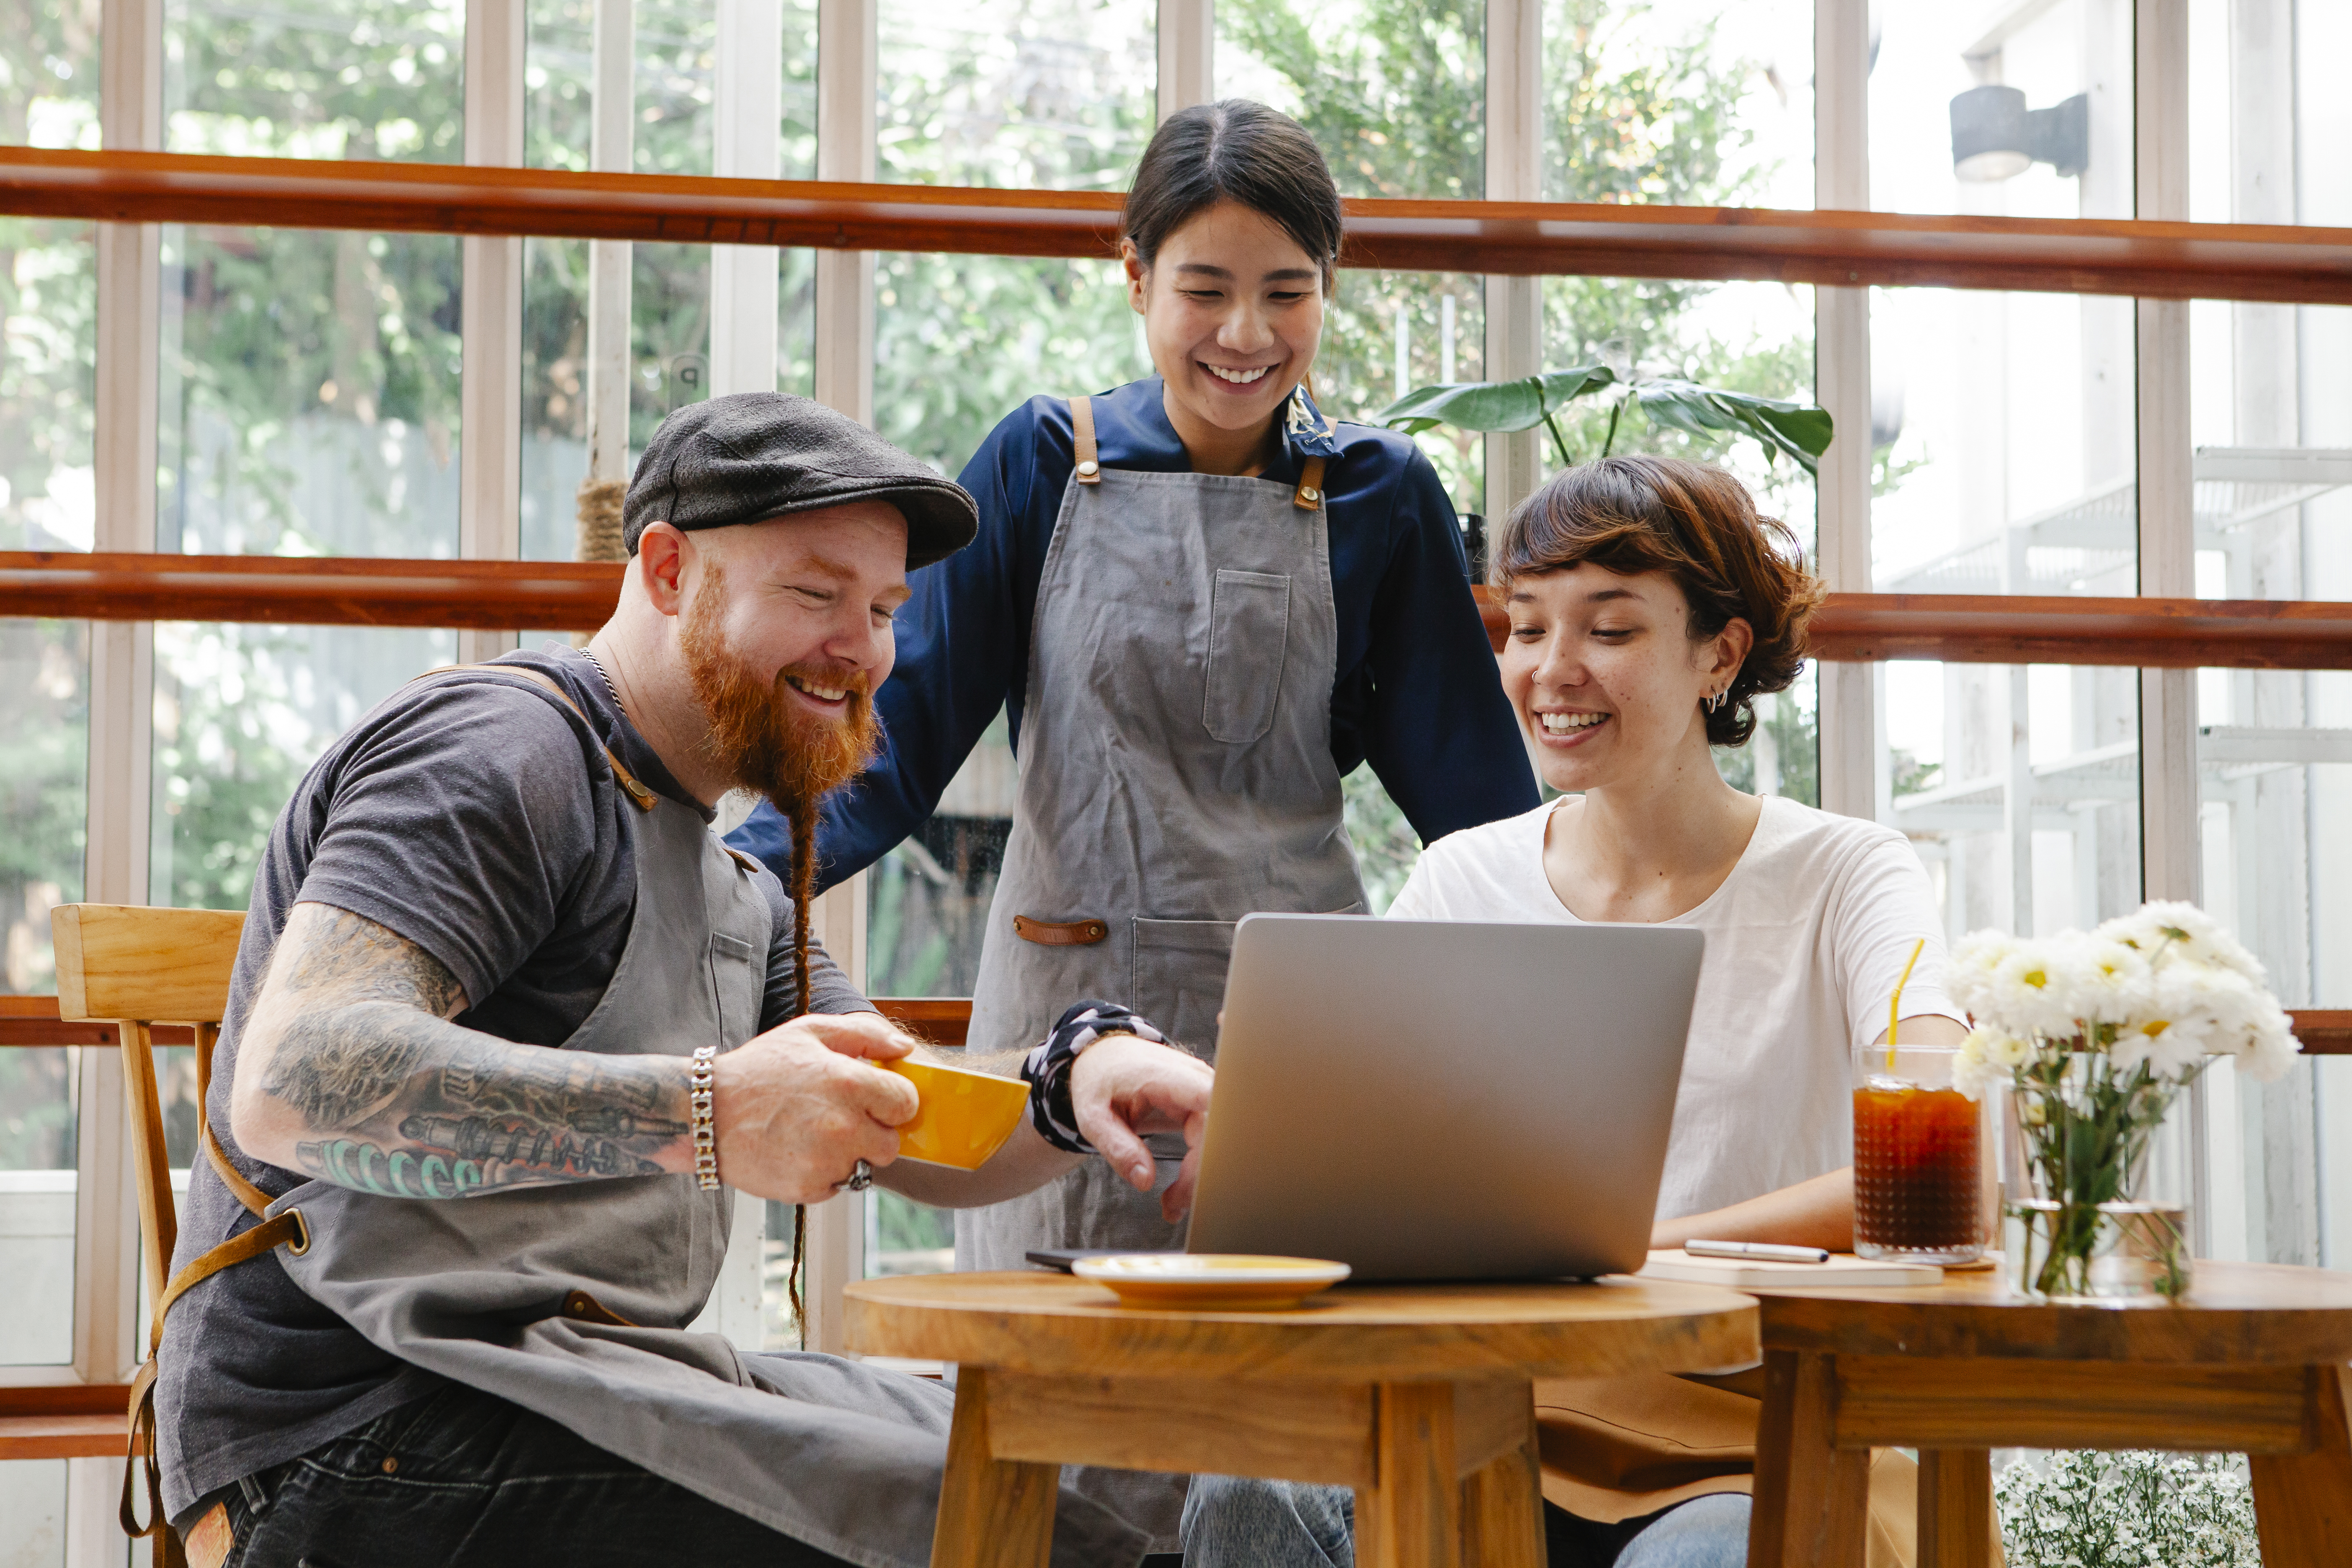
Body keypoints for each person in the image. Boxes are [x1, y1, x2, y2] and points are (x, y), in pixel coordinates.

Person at [152, 393, 1216, 1568]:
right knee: (1010, 1533)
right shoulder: (501, 754)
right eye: (815, 594)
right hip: (348, 1439)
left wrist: (1075, 1078)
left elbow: (905, 1121)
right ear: (666, 570)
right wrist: (709, 1113)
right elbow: (295, 1082)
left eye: (882, 609)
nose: (861, 648)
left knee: (1074, 1479)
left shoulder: (736, 887)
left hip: (571, 1390)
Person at [730, 99, 1538, 1277]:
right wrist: (733, 877)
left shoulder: (1385, 492)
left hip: (1302, 1027)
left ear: (1329, 285)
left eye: (1287, 290)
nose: (1246, 332)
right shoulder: (1042, 460)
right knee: (1061, 1417)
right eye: (1205, 288)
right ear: (1136, 279)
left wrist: (1595, 992)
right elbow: (892, 749)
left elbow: (1479, 813)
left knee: (1292, 1420)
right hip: (1067, 1027)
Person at [1181, 456, 1968, 1568]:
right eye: (1527, 627)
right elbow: (1365, 1164)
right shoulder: (1464, 880)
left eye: (1609, 630)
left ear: (1719, 654)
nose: (1554, 671)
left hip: (1762, 1430)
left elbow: (1942, 1159)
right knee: (1245, 1496)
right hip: (1491, 1416)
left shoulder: (1849, 875)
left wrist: (1625, 1255)